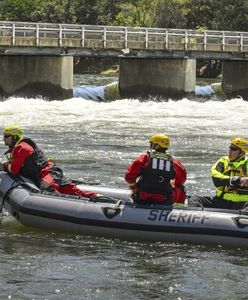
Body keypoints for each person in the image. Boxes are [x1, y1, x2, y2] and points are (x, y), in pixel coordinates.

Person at [0, 125, 97, 198]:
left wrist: (4, 165)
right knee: (75, 192)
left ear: (14, 137)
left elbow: (14, 170)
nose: (4, 138)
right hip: (45, 174)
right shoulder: (17, 148)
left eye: (6, 136)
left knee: (47, 188)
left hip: (48, 172)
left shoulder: (21, 147)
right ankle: (96, 198)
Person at [125, 134, 187, 205]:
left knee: (135, 185)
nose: (150, 146)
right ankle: (179, 209)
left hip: (141, 197)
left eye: (152, 144)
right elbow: (181, 180)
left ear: (157, 146)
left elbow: (129, 176)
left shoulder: (145, 158)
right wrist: (173, 184)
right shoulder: (174, 162)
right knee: (181, 188)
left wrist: (133, 187)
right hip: (164, 199)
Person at [188, 137, 248, 210]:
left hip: (242, 204)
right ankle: (200, 219)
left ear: (242, 152)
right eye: (230, 148)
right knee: (194, 200)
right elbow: (216, 179)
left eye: (233, 149)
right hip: (221, 201)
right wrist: (237, 180)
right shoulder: (223, 161)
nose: (230, 151)